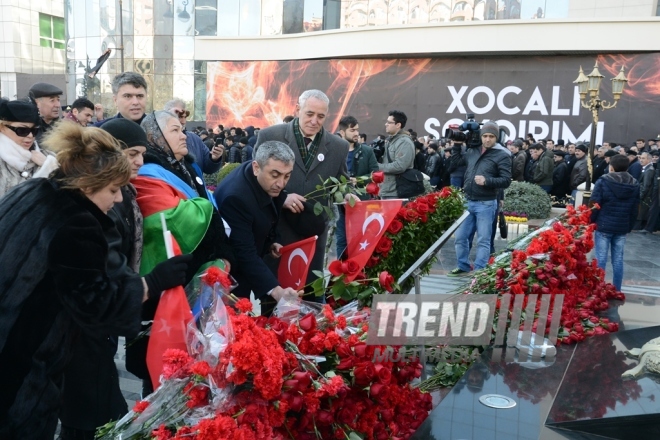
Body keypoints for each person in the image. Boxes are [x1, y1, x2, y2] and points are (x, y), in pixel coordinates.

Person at [0, 122, 191, 439]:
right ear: (88, 184)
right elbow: (100, 308)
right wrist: (154, 282)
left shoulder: (33, 191)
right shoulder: (77, 224)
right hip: (22, 367)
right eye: (113, 189)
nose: (117, 200)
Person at [58, 119, 187, 440]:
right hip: (78, 333)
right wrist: (152, 283)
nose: (141, 162)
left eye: (143, 153)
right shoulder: (87, 213)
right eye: (132, 153)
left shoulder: (117, 193)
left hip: (93, 330)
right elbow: (101, 284)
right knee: (92, 414)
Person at [127, 111, 235, 394]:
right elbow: (178, 220)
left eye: (183, 129)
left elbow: (206, 211)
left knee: (194, 366)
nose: (184, 135)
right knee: (160, 373)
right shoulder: (147, 172)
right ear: (155, 137)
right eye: (175, 130)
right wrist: (210, 214)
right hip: (163, 284)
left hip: (193, 278)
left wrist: (222, 253)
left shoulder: (187, 166)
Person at [255, 89, 348, 294]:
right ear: (297, 109)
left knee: (309, 294)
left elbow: (342, 182)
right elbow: (254, 179)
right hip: (277, 233)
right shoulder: (271, 136)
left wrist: (347, 194)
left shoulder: (339, 147)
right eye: (309, 114)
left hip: (313, 234)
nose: (315, 121)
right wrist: (282, 196)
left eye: (321, 116)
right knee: (274, 296)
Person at [214, 141, 302, 315]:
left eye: (287, 176)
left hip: (250, 258)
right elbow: (243, 252)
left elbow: (271, 211)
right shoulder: (236, 198)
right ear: (256, 167)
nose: (281, 183)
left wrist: (273, 240)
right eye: (275, 175)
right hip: (232, 273)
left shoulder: (263, 177)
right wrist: (277, 291)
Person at [449, 121, 511, 276]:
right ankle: (463, 266)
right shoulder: (472, 151)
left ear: (496, 137)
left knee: (483, 240)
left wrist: (487, 181)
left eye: (491, 136)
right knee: (460, 238)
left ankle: (479, 270)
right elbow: (455, 162)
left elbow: (506, 180)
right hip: (468, 201)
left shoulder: (502, 155)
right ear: (481, 136)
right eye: (485, 136)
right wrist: (457, 145)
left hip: (487, 203)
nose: (488, 139)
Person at [591, 154, 640, 291]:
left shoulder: (603, 181)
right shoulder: (634, 183)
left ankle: (597, 289)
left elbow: (595, 203)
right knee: (618, 260)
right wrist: (629, 226)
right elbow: (635, 208)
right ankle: (617, 289)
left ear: (611, 167)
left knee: (600, 258)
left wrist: (591, 220)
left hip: (604, 224)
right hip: (622, 226)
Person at [334, 115, 378, 256]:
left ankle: (358, 269)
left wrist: (357, 180)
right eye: (352, 130)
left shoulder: (366, 151)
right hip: (339, 201)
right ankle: (342, 271)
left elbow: (375, 173)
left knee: (360, 237)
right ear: (342, 132)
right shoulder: (334, 151)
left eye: (357, 130)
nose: (356, 133)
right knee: (341, 239)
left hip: (360, 201)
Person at [0, 99, 58, 198]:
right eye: (22, 130)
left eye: (34, 130)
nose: (30, 135)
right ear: (2, 127)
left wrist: (50, 167)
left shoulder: (49, 157)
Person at [163, 99, 224, 174]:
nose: (183, 121)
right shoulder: (159, 141)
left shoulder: (195, 139)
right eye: (179, 116)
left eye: (185, 117)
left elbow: (208, 167)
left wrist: (214, 158)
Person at [378, 110, 415, 198]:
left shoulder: (404, 142)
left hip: (396, 192)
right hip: (387, 189)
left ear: (398, 125)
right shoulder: (391, 141)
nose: (386, 124)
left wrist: (377, 166)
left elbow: (399, 166)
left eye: (389, 122)